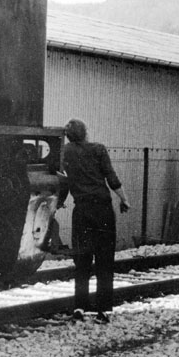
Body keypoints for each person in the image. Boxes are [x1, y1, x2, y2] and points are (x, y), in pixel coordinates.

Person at [56, 119, 130, 324]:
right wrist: (124, 199)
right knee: (105, 259)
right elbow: (111, 178)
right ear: (85, 133)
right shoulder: (98, 149)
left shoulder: (67, 152)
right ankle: (103, 311)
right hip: (102, 210)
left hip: (81, 211)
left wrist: (60, 202)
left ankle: (79, 307)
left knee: (82, 259)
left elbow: (63, 179)